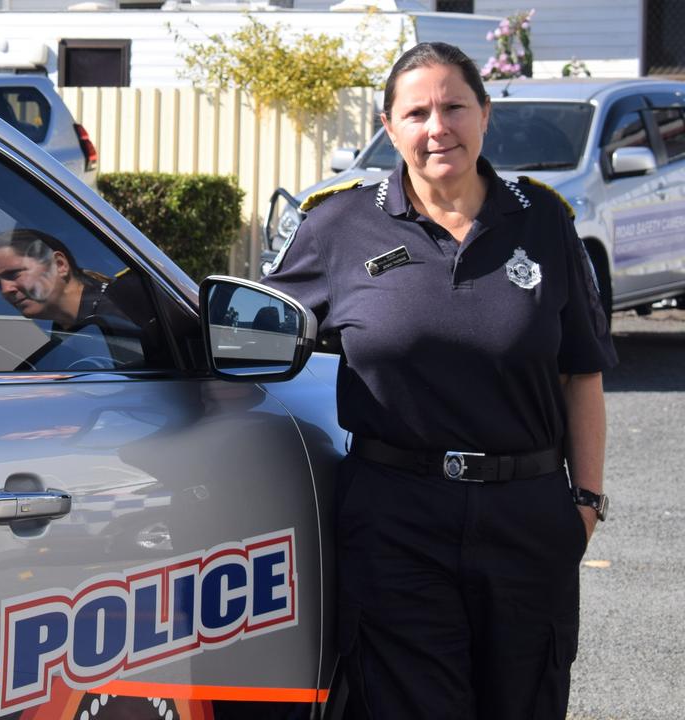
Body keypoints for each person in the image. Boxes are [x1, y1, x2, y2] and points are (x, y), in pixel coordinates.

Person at [262, 42, 616, 719]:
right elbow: (259, 326)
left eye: (454, 106)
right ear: (388, 127)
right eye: (416, 112)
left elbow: (582, 373)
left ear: (484, 114)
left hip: (527, 516)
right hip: (396, 518)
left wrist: (587, 503)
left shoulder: (542, 220)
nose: (437, 128)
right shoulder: (337, 224)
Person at [0, 228, 149, 369]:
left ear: (60, 265)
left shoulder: (133, 300)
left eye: (14, 273)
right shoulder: (61, 345)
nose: (5, 289)